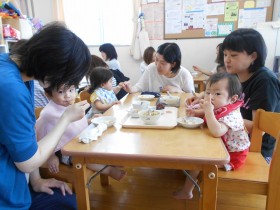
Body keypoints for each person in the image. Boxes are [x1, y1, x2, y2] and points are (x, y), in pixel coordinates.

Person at [0, 22, 92, 209]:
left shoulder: (16, 71)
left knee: (68, 200)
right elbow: (27, 162)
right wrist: (65, 118)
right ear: (53, 71)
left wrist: (37, 181)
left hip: (20, 184)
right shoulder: (11, 87)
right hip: (8, 196)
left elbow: (27, 136)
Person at [186, 28, 280, 163]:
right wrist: (201, 96)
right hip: (230, 138)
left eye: (234, 55)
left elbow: (259, 129)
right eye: (225, 55)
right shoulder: (235, 75)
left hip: (251, 150)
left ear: (253, 56)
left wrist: (217, 118)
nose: (227, 60)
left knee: (199, 152)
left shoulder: (265, 81)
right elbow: (220, 92)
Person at [174, 72, 250, 200]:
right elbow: (210, 113)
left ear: (232, 99)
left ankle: (187, 191)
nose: (211, 97)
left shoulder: (232, 115)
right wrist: (197, 112)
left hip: (232, 156)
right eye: (208, 92)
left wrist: (208, 111)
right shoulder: (222, 106)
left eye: (217, 93)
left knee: (200, 161)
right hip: (222, 147)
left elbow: (217, 131)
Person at [36, 83, 126, 180]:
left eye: (71, 90)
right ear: (49, 94)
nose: (68, 95)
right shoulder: (48, 114)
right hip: (63, 151)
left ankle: (109, 162)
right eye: (61, 92)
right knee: (86, 158)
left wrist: (89, 120)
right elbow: (41, 136)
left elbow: (72, 125)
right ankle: (108, 170)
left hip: (78, 141)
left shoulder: (69, 104)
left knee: (101, 143)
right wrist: (51, 156)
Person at [121, 42, 194, 93]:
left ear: (173, 64)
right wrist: (130, 89)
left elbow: (192, 98)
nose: (157, 65)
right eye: (156, 59)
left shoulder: (184, 75)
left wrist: (178, 90)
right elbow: (139, 87)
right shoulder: (151, 68)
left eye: (162, 63)